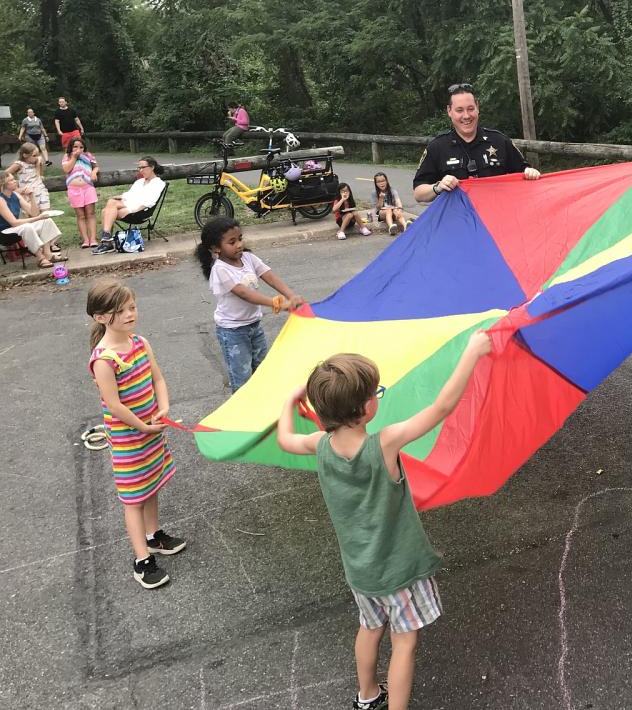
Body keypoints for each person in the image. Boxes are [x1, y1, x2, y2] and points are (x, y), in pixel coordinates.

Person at [276, 331, 493, 710]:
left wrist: (288, 402)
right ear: (365, 410)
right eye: (375, 393)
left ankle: (366, 695)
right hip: (399, 571)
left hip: (361, 572)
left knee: (370, 626)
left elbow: (285, 440)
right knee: (404, 641)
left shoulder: (319, 446)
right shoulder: (385, 444)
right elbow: (442, 407)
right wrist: (473, 352)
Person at [86, 278, 187, 590]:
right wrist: (143, 425)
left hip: (152, 432)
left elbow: (158, 379)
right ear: (101, 317)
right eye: (122, 310)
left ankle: (153, 535)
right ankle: (142, 560)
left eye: (132, 307)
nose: (131, 314)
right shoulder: (104, 359)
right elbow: (114, 405)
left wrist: (164, 407)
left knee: (152, 483)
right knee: (133, 498)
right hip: (130, 439)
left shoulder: (140, 343)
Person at [195, 216, 305, 392]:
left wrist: (291, 296)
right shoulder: (220, 269)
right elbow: (244, 293)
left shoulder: (248, 258)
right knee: (242, 378)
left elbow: (269, 276)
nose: (239, 244)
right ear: (216, 248)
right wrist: (277, 303)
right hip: (232, 332)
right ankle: (241, 415)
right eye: (232, 242)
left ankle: (262, 408)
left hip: (254, 326)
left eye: (240, 239)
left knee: (262, 370)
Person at [413, 83, 541, 202]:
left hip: (493, 219)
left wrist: (531, 173)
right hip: (456, 221)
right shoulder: (437, 147)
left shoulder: (500, 141)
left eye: (470, 109)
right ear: (449, 111)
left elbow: (524, 172)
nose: (466, 116)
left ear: (477, 108)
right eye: (459, 110)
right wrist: (438, 187)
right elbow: (418, 193)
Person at [92, 157, 167, 255]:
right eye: (139, 168)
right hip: (129, 204)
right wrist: (119, 197)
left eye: (143, 167)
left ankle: (107, 242)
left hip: (140, 211)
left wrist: (133, 210)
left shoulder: (158, 183)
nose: (141, 170)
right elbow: (129, 195)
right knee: (111, 201)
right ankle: (106, 237)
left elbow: (150, 202)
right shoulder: (139, 182)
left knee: (105, 211)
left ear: (152, 167)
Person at [0, 173, 65, 268]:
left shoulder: (15, 195)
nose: (15, 181)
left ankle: (48, 254)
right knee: (27, 227)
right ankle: (40, 258)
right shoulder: (1, 200)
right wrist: (38, 218)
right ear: (4, 184)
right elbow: (13, 222)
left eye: (14, 179)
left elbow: (34, 213)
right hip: (5, 232)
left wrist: (31, 196)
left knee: (46, 221)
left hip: (16, 228)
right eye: (11, 180)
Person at [62, 137, 99, 248]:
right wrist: (74, 157)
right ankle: (85, 239)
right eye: (75, 147)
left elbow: (96, 166)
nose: (78, 149)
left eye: (81, 147)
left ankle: (93, 238)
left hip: (88, 187)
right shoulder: (67, 157)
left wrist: (94, 172)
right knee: (81, 215)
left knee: (90, 213)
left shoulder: (88, 156)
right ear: (71, 147)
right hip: (74, 189)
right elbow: (67, 169)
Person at [6, 142, 51, 212]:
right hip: (29, 194)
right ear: (25, 155)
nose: (37, 157)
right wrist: (15, 188)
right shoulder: (19, 164)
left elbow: (39, 175)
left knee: (46, 214)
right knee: (33, 216)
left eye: (38, 154)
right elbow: (5, 174)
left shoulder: (35, 162)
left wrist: (39, 164)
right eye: (34, 155)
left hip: (41, 191)